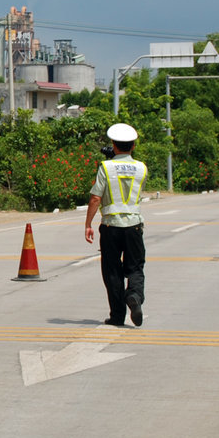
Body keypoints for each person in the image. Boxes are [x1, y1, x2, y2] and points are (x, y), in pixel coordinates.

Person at [84, 122, 148, 327]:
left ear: (113, 144)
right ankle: (135, 296)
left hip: (111, 226)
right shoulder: (141, 168)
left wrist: (88, 224)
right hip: (134, 225)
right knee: (135, 267)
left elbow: (95, 198)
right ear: (134, 146)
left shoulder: (105, 167)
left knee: (112, 271)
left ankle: (117, 315)